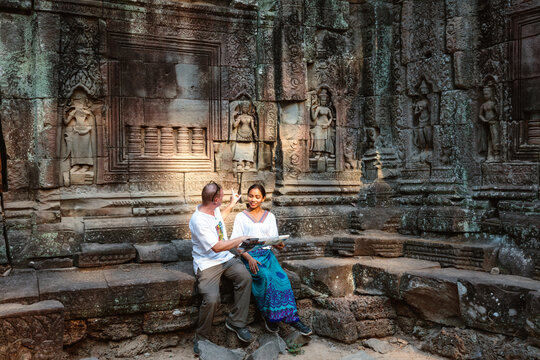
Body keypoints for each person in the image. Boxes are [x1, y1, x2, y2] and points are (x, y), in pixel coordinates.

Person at [230, 184, 312, 336]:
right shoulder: (241, 217)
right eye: (250, 196)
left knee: (283, 279)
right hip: (251, 258)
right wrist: (249, 259)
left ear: (263, 199)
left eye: (257, 197)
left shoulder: (270, 216)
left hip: (268, 256)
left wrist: (279, 244)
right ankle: (269, 317)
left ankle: (293, 319)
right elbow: (236, 244)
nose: (253, 199)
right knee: (265, 277)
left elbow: (273, 240)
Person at [190, 181, 252, 354]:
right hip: (208, 263)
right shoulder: (198, 220)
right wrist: (240, 238)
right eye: (223, 197)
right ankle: (201, 337)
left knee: (245, 278)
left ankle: (236, 322)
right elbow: (217, 247)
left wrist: (232, 203)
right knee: (211, 299)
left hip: (225, 258)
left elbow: (218, 221)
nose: (223, 199)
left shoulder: (212, 208)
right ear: (215, 200)